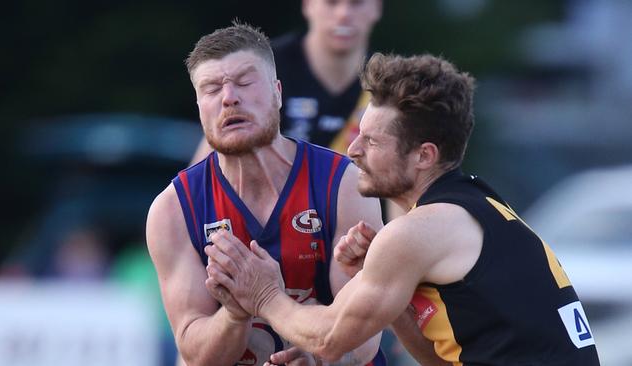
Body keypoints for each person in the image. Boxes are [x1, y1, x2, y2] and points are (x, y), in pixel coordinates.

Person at [204, 53, 601, 365]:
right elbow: (441, 359)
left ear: (423, 156)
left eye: (372, 142)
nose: (353, 149)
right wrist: (395, 291)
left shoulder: (418, 231)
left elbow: (328, 339)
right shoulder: (480, 206)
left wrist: (265, 294)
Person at [146, 23, 406, 366]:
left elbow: (363, 333)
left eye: (244, 82)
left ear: (278, 92)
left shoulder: (343, 183)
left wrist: (318, 359)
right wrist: (236, 312)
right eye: (211, 89)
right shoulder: (173, 209)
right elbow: (195, 354)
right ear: (199, 107)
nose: (229, 98)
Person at [190, 0, 382, 163]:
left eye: (357, 3)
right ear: (308, 4)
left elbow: (400, 189)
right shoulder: (260, 69)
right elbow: (202, 178)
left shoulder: (389, 84)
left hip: (355, 205)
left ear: (377, 7)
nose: (343, 14)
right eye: (331, 2)